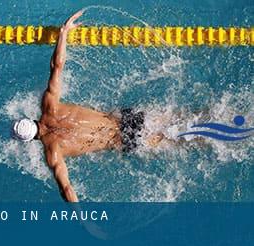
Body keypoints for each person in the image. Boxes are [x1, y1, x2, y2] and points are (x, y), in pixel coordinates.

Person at [12, 11, 164, 202]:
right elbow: (57, 66)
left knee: (181, 141)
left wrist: (84, 221)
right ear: (30, 119)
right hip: (126, 118)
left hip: (125, 140)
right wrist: (63, 33)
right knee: (180, 118)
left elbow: (66, 189)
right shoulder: (49, 105)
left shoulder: (53, 152)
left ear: (30, 140)